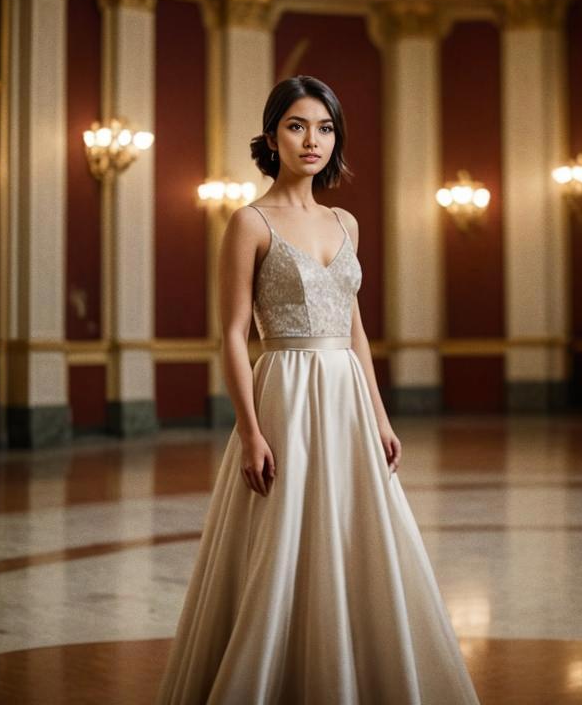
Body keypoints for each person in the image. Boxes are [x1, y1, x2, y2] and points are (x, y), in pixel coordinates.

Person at [155, 75, 481, 704]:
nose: (313, 140)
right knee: (280, 543)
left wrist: (381, 418)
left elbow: (356, 333)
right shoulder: (249, 222)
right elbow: (229, 335)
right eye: (297, 126)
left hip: (347, 401)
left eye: (325, 127)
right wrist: (250, 432)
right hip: (285, 393)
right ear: (272, 136)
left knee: (360, 540)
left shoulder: (345, 222)